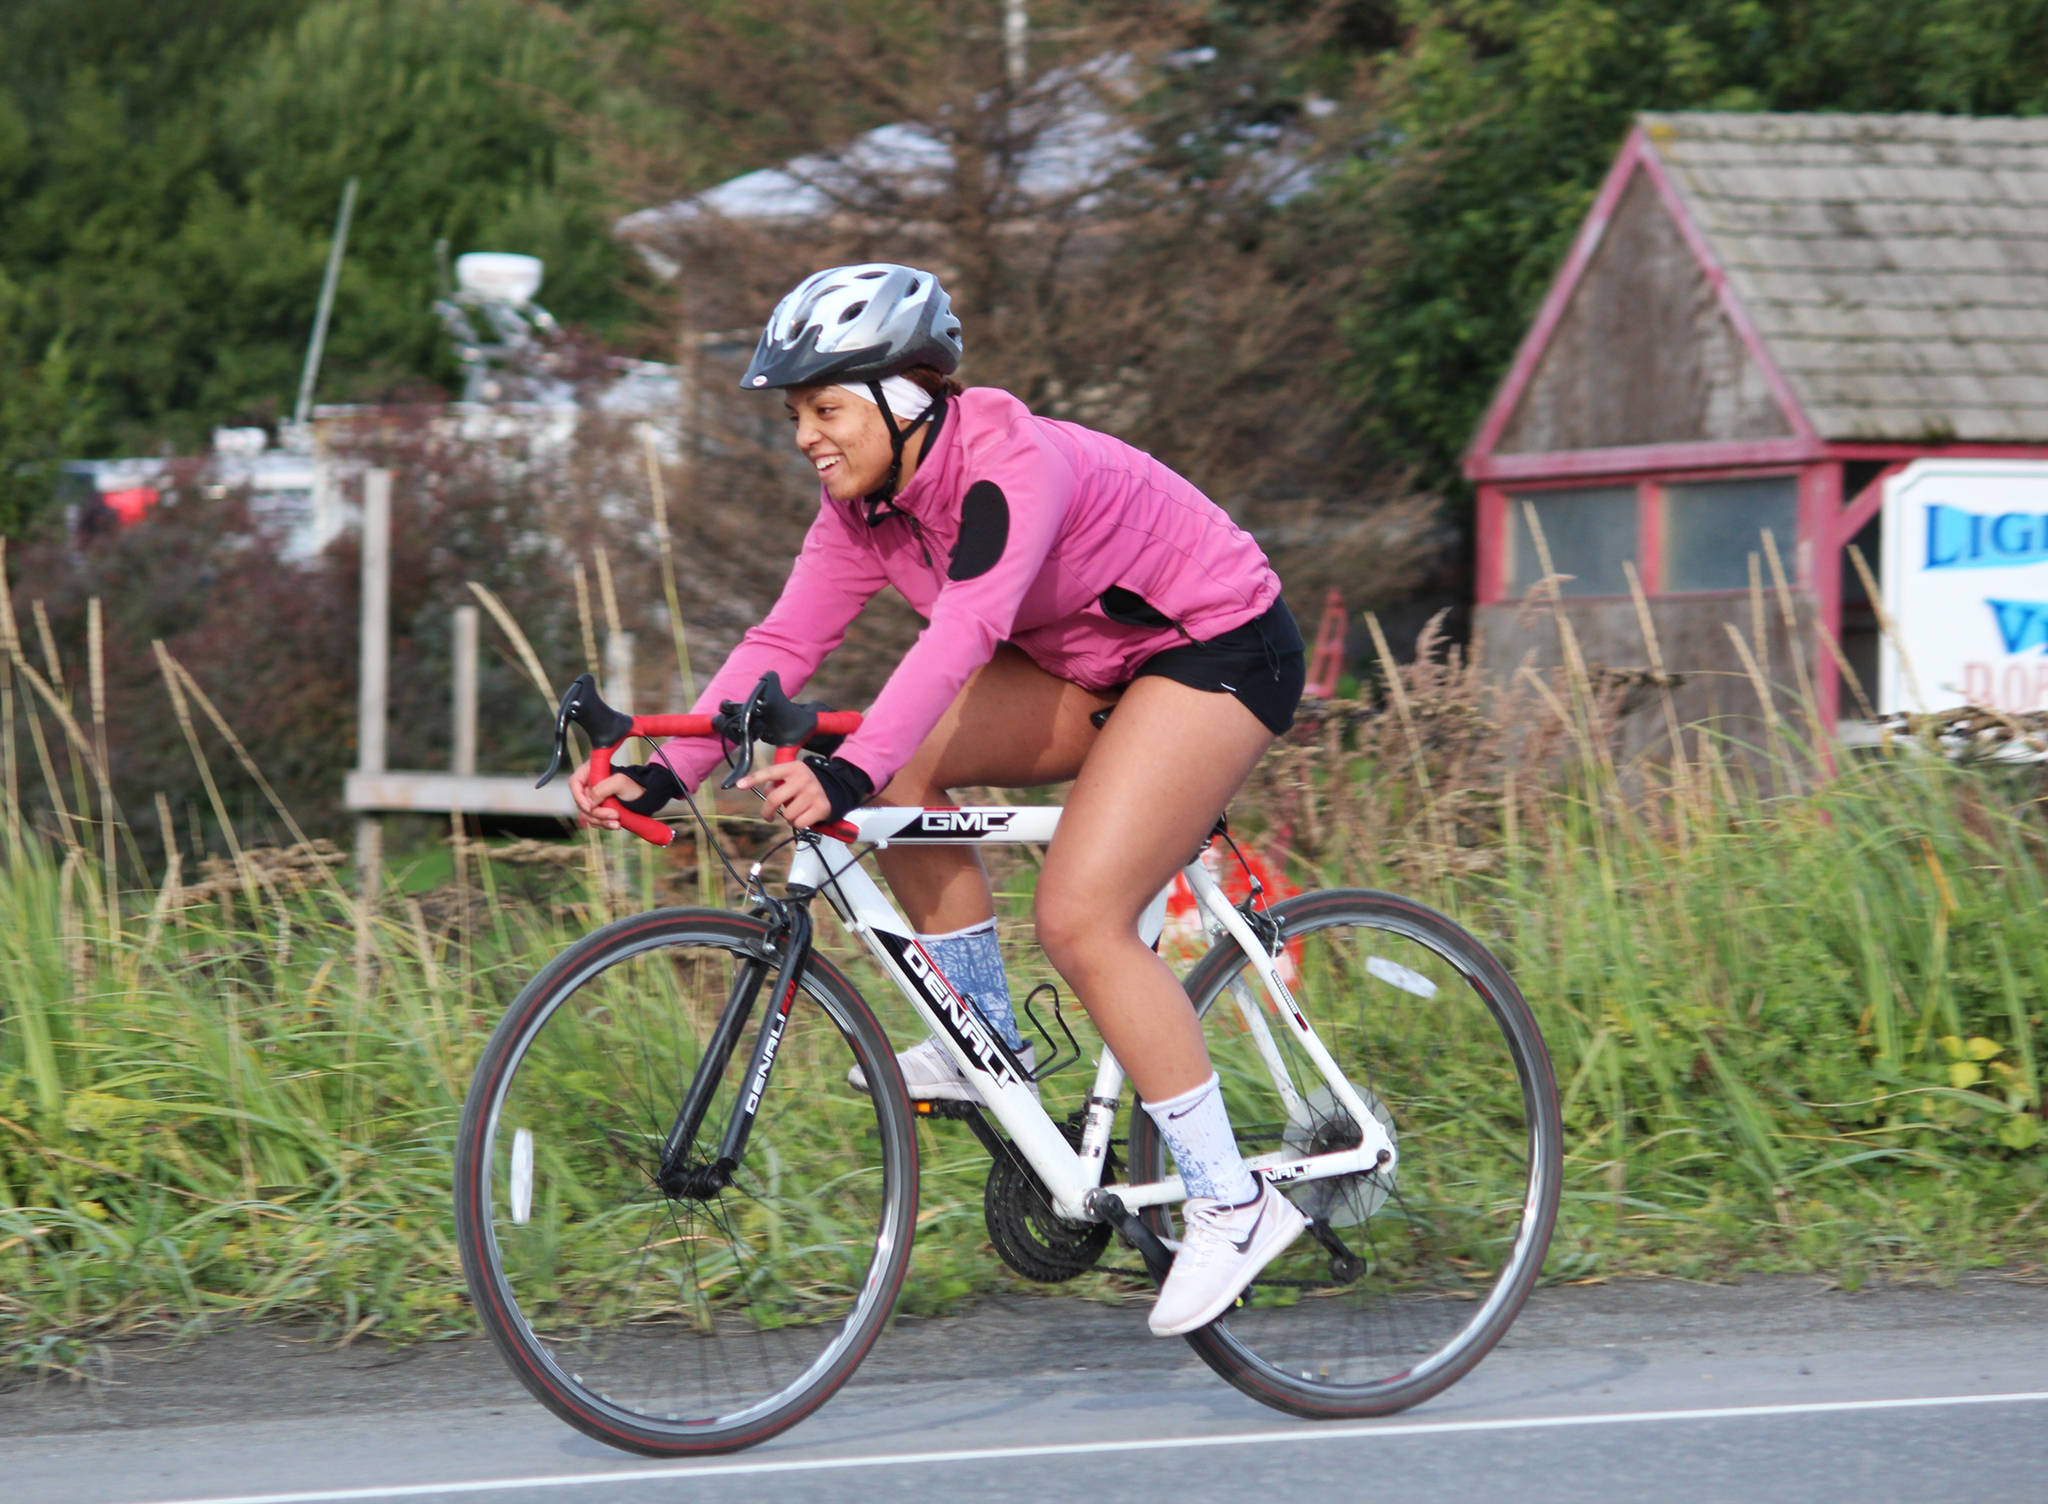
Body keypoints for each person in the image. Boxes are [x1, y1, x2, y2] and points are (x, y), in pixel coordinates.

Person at [570, 262, 1308, 1338]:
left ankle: (1231, 1202)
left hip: (1214, 649)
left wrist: (844, 771)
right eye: (794, 415)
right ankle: (987, 1037)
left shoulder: (1009, 463)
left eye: (824, 408)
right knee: (901, 762)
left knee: (1079, 916)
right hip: (1088, 664)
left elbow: (962, 631)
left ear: (906, 394)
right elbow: (782, 641)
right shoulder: (861, 505)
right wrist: (664, 770)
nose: (805, 437)